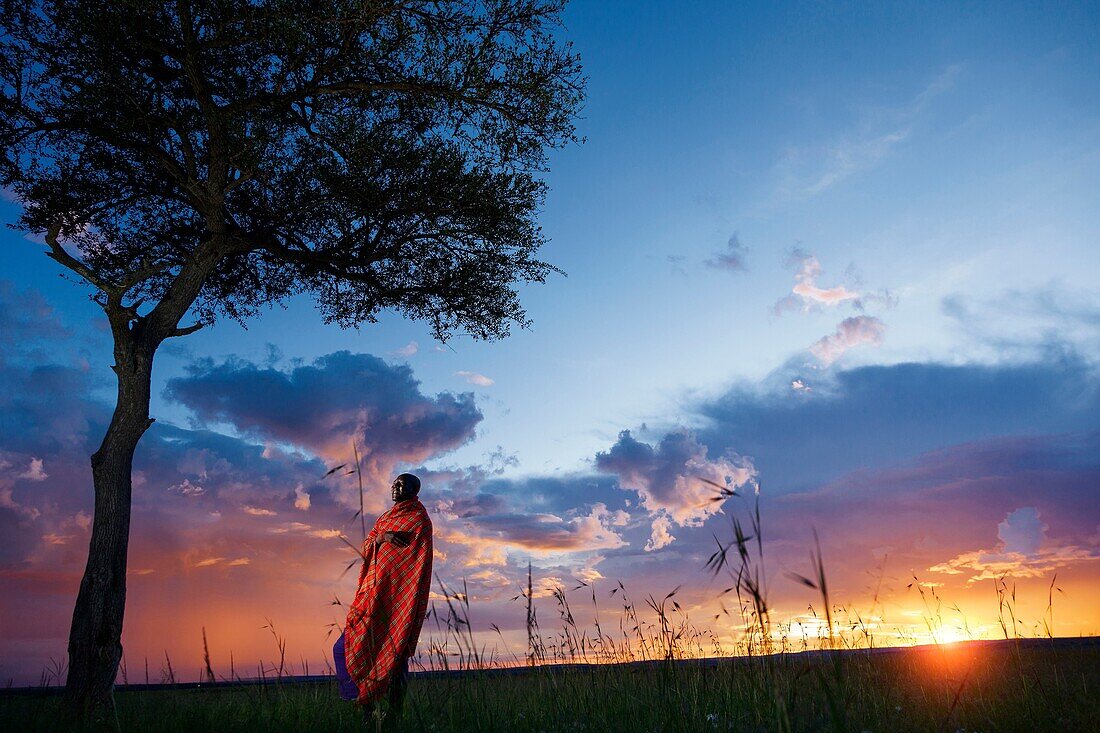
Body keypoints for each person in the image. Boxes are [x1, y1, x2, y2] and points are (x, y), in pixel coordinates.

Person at [333, 473, 433, 729]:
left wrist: (405, 602)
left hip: (399, 600)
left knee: (396, 660)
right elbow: (367, 545)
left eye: (401, 484)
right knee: (343, 648)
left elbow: (417, 564)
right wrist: (382, 538)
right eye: (394, 483)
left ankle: (393, 717)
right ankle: (365, 707)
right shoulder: (386, 518)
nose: (395, 487)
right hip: (372, 596)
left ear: (414, 490)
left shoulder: (419, 520)